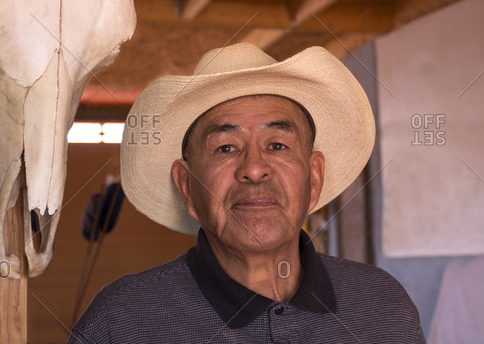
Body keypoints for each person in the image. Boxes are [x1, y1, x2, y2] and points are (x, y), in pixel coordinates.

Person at [68, 43, 425, 343]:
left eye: (278, 144)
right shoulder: (121, 323)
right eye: (225, 148)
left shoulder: (384, 307)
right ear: (187, 186)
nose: (254, 168)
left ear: (314, 178)